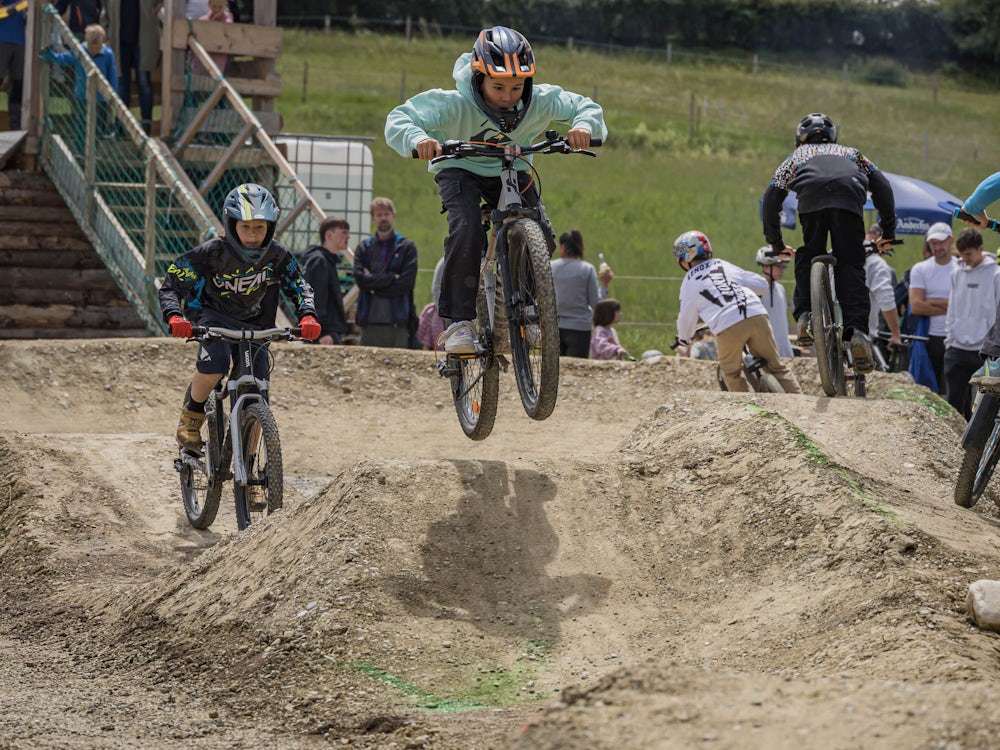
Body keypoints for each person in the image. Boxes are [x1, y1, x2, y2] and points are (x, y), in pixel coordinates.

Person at [384, 25, 607, 354]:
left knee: (541, 234)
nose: (507, 96)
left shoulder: (539, 100)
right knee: (467, 227)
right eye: (498, 87)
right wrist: (419, 140)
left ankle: (530, 312)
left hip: (512, 166)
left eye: (517, 87)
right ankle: (460, 322)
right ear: (478, 78)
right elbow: (401, 117)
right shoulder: (453, 103)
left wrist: (583, 126)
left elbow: (584, 107)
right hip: (460, 167)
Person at [158, 183, 321, 451]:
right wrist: (175, 316)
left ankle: (255, 473)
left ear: (270, 226)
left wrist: (308, 317)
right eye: (245, 227)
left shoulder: (277, 254)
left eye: (260, 227)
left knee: (257, 388)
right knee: (216, 366)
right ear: (231, 224)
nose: (253, 235)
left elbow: (299, 284)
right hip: (213, 317)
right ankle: (191, 413)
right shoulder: (211, 252)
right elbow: (172, 283)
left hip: (256, 322)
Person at [761, 112, 897, 374]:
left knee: (809, 254)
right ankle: (857, 332)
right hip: (849, 200)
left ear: (800, 139)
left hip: (811, 200)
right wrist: (888, 230)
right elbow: (882, 187)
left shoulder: (796, 157)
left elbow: (770, 200)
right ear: (834, 137)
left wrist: (776, 243)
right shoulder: (853, 153)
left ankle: (803, 318)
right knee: (851, 264)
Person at [674, 230, 801, 393]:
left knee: (732, 373)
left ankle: (746, 413)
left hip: (727, 325)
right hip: (756, 314)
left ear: (685, 260)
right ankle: (801, 405)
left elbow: (686, 319)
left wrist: (684, 339)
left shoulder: (688, 282)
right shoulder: (721, 264)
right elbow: (761, 285)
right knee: (777, 368)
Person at [944, 228, 1000, 419]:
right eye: (962, 255)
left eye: (969, 254)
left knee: (980, 408)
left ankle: (976, 446)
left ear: (981, 249)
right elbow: (951, 309)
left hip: (982, 351)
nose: (965, 259)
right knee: (954, 405)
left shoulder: (996, 274)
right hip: (956, 348)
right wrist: (949, 341)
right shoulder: (956, 272)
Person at [352, 197, 418, 349]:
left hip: (398, 322)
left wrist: (373, 286)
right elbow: (361, 280)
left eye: (386, 214)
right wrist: (391, 277)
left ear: (393, 215)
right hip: (369, 322)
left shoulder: (406, 247)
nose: (383, 218)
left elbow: (407, 283)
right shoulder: (364, 248)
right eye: (379, 215)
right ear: (373, 218)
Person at [41, 24, 118, 145]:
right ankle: (79, 150)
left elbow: (112, 75)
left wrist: (112, 94)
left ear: (102, 43)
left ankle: (94, 150)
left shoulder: (108, 54)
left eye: (96, 47)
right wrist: (50, 55)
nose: (93, 50)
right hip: (82, 95)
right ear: (87, 42)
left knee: (98, 126)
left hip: (101, 97)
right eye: (91, 47)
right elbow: (65, 58)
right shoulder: (81, 50)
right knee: (81, 124)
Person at [908, 221, 957, 393]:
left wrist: (931, 301)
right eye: (933, 243)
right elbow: (916, 306)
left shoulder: (960, 268)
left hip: (956, 337)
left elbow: (964, 305)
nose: (937, 247)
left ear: (951, 240)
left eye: (941, 242)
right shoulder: (920, 269)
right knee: (929, 390)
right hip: (930, 338)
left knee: (953, 391)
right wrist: (951, 305)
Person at [102, 0, 158, 135]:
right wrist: (106, 34)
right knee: (121, 84)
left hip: (143, 41)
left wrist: (160, 7)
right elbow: (105, 12)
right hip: (119, 42)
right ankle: (121, 125)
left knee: (144, 83)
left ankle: (146, 124)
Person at [551, 228, 602, 358]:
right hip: (580, 328)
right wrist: (605, 285)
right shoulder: (587, 269)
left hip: (553, 326)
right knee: (576, 371)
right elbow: (595, 302)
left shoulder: (550, 267)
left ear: (562, 247)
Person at [299, 217, 350, 345]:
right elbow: (315, 299)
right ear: (329, 235)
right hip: (323, 335)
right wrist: (323, 333)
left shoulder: (326, 260)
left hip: (326, 332)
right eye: (344, 232)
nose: (348, 237)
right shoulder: (319, 261)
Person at [862, 224, 902, 361]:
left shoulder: (837, 251)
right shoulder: (877, 264)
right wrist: (896, 334)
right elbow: (886, 299)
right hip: (864, 335)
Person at [754, 245, 794, 358]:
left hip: (784, 349)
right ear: (765, 266)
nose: (782, 270)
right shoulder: (755, 289)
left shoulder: (781, 289)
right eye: (779, 266)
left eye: (784, 267)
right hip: (764, 351)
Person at [0, 0, 26, 131]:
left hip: (20, 42)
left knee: (17, 86)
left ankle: (15, 130)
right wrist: (23, 4)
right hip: (2, 40)